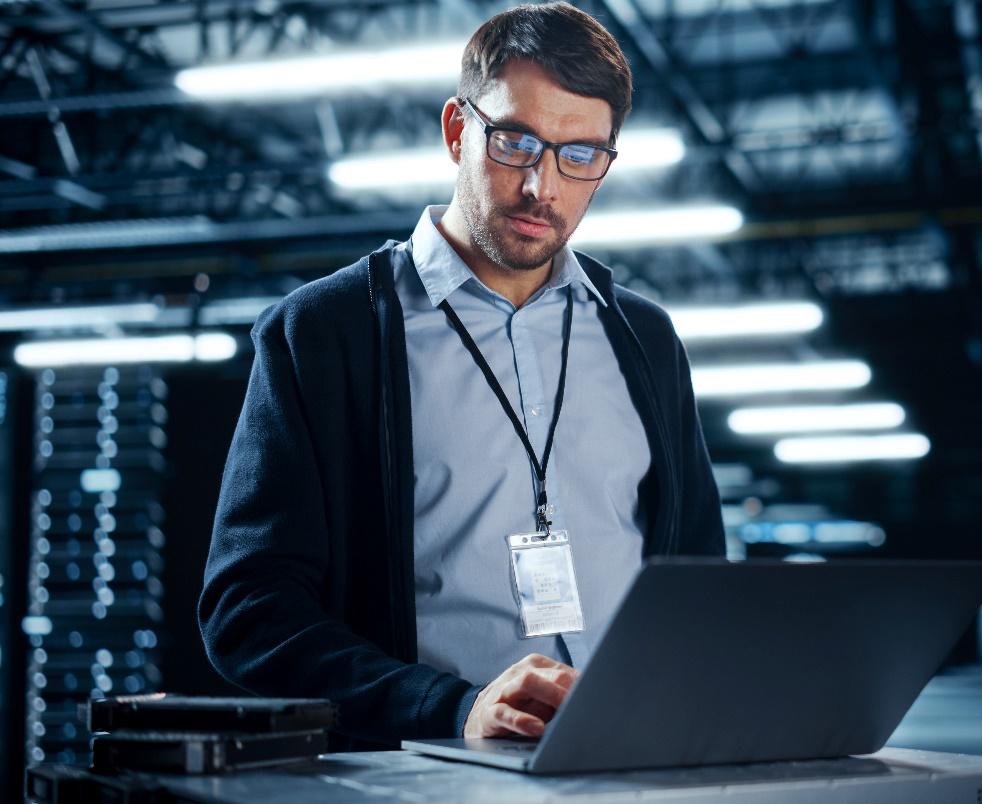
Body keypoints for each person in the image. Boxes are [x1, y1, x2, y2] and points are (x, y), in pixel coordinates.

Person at [198, 1, 724, 750]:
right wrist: (447, 707)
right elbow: (246, 609)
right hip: (427, 768)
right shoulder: (326, 333)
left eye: (580, 155)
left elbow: (697, 574)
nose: (543, 186)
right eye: (515, 142)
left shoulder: (642, 336)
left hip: (631, 758)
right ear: (456, 130)